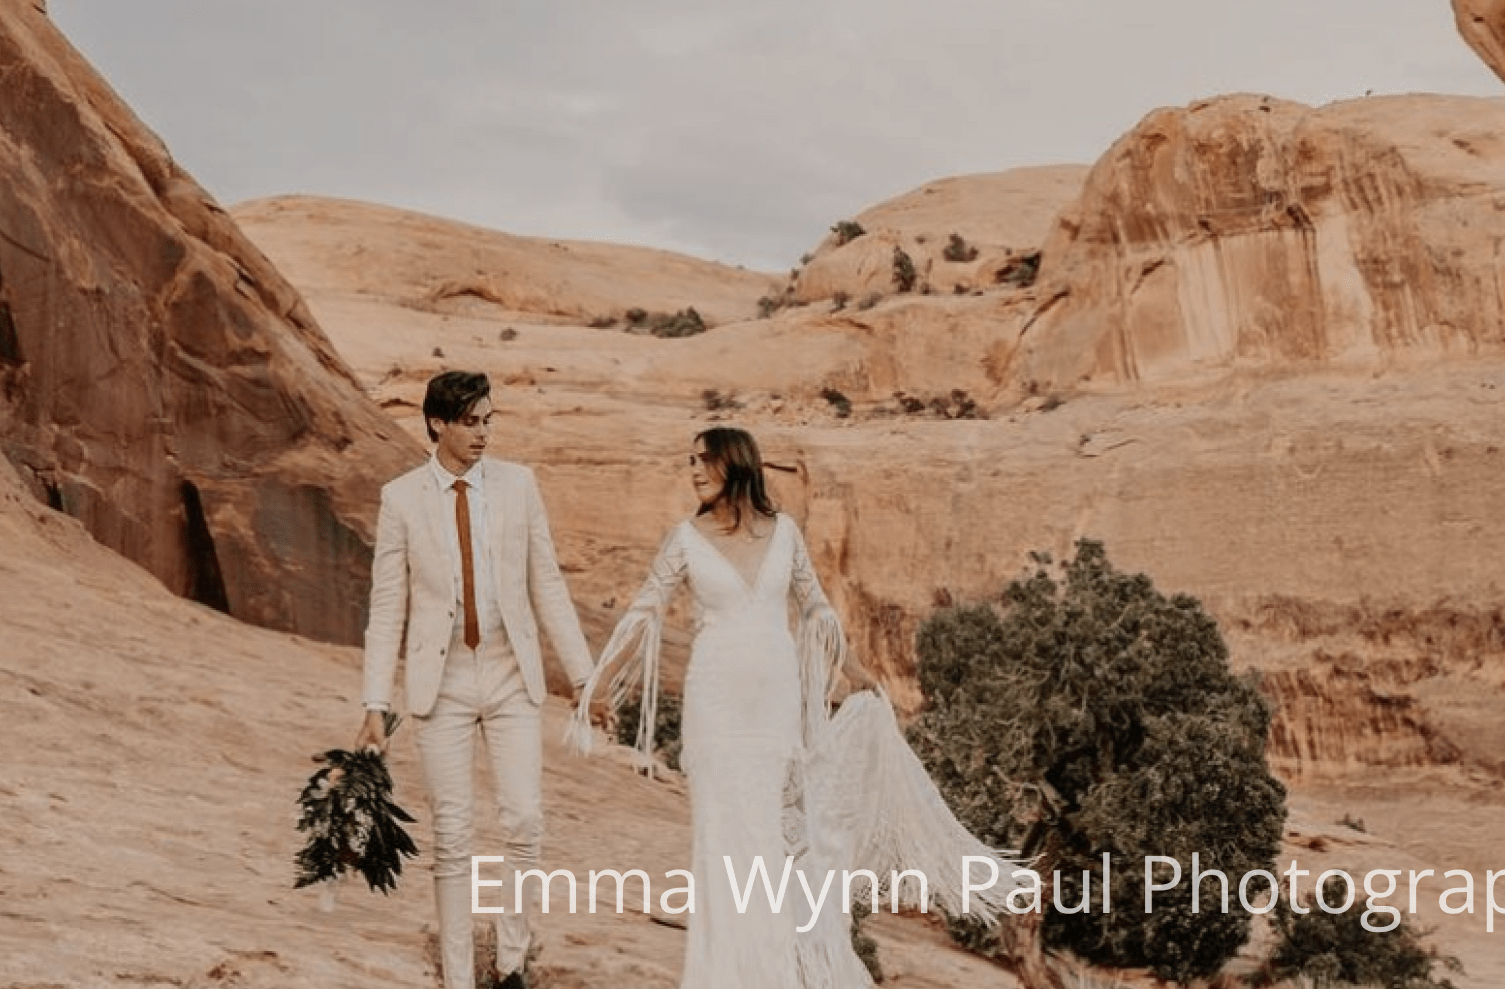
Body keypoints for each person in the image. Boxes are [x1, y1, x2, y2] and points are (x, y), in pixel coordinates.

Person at [574, 426, 1020, 989]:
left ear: (734, 465)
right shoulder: (684, 538)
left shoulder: (785, 533)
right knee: (722, 843)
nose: (691, 472)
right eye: (688, 461)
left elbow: (818, 612)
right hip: (716, 708)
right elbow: (644, 613)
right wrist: (596, 684)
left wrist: (859, 677)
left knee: (771, 841)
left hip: (773, 709)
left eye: (702, 461)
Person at [359, 369, 594, 989]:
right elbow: (387, 608)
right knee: (452, 832)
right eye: (471, 421)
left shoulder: (519, 486)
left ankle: (513, 964)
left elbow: (548, 585)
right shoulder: (401, 498)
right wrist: (375, 705)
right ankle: (459, 979)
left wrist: (585, 678)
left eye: (490, 420)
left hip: (512, 673)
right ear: (437, 423)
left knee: (523, 820)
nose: (484, 433)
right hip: (442, 682)